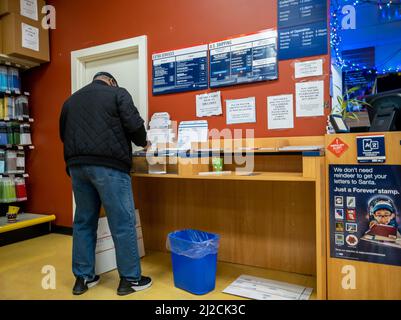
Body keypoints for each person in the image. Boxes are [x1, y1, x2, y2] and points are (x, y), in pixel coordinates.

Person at [59, 72, 152, 296]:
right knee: (122, 221)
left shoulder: (70, 101)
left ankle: (83, 278)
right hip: (109, 166)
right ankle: (130, 279)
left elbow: (63, 134)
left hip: (77, 166)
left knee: (83, 221)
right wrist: (144, 141)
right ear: (111, 81)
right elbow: (134, 124)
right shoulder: (118, 93)